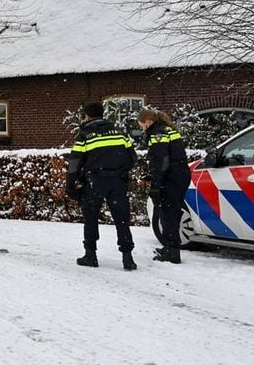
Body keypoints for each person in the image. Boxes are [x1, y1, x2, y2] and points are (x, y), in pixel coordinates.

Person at [67, 101, 137, 271]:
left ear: (87, 116)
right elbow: (132, 157)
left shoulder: (84, 134)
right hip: (117, 181)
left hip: (94, 181)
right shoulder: (119, 132)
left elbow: (75, 162)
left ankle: (90, 255)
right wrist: (121, 172)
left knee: (90, 218)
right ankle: (128, 258)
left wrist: (70, 184)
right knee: (122, 219)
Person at [138, 108, 191, 264]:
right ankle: (171, 247)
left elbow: (161, 160)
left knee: (167, 214)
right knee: (173, 211)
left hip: (170, 178)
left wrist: (156, 182)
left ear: (147, 122)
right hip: (180, 175)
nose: (141, 128)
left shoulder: (157, 133)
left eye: (141, 124)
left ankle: (172, 251)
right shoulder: (169, 130)